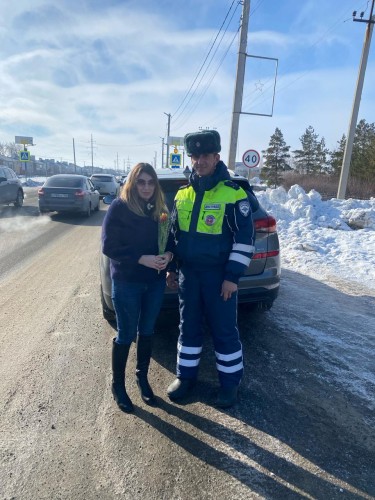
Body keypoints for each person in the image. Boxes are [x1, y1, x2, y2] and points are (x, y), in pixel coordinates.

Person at [166, 130, 255, 409]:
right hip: (188, 276)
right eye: (195, 156)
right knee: (188, 328)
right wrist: (171, 268)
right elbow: (172, 236)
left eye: (206, 155)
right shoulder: (182, 195)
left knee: (224, 331)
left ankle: (230, 385)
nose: (200, 161)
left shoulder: (233, 194)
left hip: (219, 278)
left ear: (217, 157)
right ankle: (186, 378)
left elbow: (245, 239)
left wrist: (231, 277)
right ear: (190, 158)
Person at [102, 163, 173, 413]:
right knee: (126, 333)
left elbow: (170, 239)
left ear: (155, 185)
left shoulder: (160, 210)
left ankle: (142, 378)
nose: (146, 187)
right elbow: (109, 246)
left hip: (153, 282)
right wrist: (141, 258)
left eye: (150, 182)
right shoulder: (119, 208)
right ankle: (118, 385)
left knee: (147, 331)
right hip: (128, 281)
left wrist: (169, 255)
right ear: (133, 183)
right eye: (141, 182)